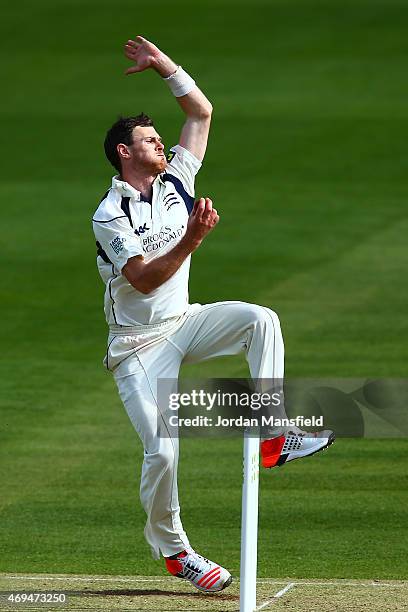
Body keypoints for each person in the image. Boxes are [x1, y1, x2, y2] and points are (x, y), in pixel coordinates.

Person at [92, 35, 335, 594]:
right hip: (138, 347)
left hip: (185, 322)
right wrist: (192, 242)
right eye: (148, 140)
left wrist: (164, 67)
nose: (160, 143)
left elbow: (200, 111)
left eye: (159, 138)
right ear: (124, 153)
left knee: (260, 319)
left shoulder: (176, 178)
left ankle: (273, 435)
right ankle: (176, 552)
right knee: (162, 449)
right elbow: (144, 277)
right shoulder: (109, 214)